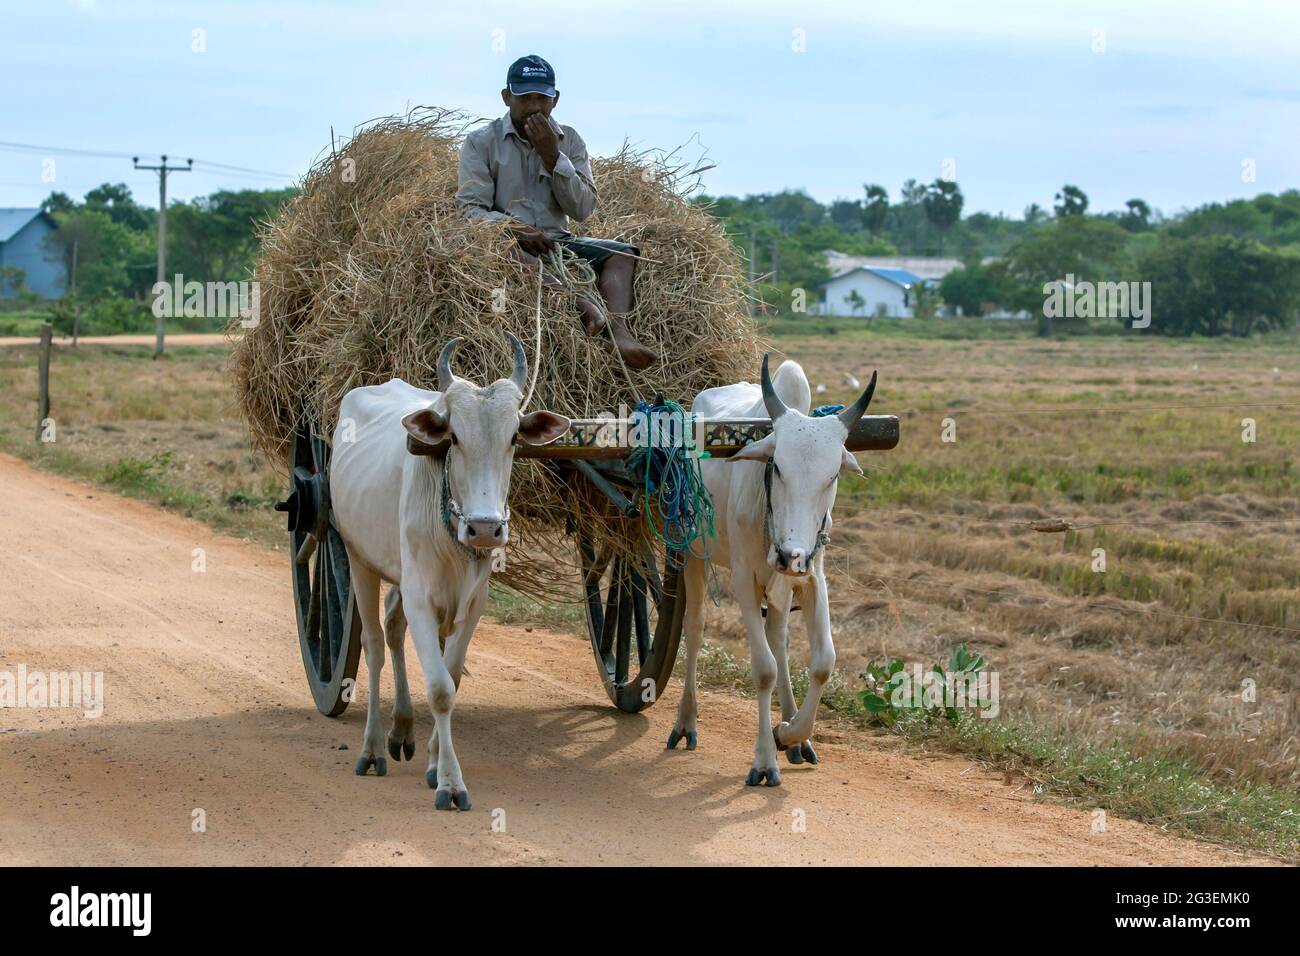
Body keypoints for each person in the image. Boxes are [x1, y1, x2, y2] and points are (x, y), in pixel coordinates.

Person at [456, 54, 656, 369]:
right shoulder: (481, 142)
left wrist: (553, 157)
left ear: (555, 100)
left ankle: (619, 332)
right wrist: (513, 228)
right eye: (525, 98)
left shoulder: (570, 141)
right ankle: (579, 302)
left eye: (542, 98)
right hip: (509, 241)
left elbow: (582, 209)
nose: (534, 106)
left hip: (557, 241)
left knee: (623, 254)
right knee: (504, 248)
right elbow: (470, 209)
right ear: (507, 98)